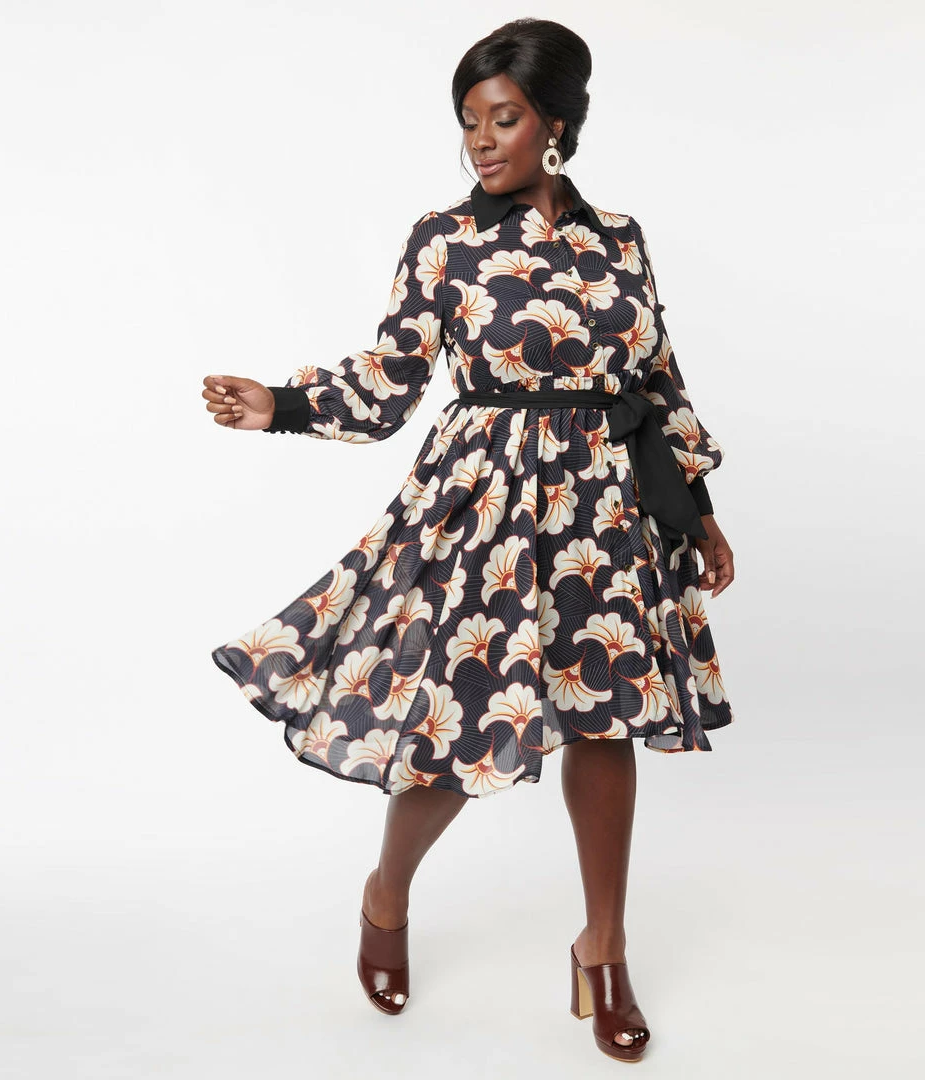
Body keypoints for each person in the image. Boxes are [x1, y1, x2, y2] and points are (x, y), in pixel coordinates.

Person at [202, 17, 735, 1062]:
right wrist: (282, 404)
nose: (481, 141)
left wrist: (700, 508)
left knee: (605, 723)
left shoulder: (620, 238)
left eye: (504, 118)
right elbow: (391, 378)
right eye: (469, 122)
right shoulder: (444, 240)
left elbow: (656, 378)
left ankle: (603, 948)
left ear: (556, 124)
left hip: (606, 507)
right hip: (488, 505)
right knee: (457, 725)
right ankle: (388, 894)